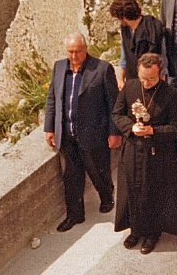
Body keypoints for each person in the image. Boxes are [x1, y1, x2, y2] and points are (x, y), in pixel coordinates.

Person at [111, 52, 177, 253]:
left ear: (161, 74)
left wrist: (153, 131)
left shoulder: (170, 94)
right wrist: (131, 127)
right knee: (132, 190)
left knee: (153, 193)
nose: (146, 83)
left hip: (159, 153)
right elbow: (117, 114)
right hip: (133, 150)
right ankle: (135, 231)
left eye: (152, 79)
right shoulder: (130, 87)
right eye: (143, 78)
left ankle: (152, 233)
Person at [43, 33, 121, 231]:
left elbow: (114, 103)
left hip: (94, 132)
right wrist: (49, 128)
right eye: (70, 51)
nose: (74, 56)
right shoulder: (59, 67)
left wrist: (114, 132)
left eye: (78, 51)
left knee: (98, 169)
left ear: (86, 49)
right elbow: (52, 99)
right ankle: (75, 215)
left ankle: (106, 196)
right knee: (71, 176)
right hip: (67, 133)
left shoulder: (102, 69)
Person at [110, 0, 168, 87]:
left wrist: (162, 83)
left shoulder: (152, 28)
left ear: (123, 17)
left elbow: (162, 57)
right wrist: (121, 79)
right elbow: (124, 55)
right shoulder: (125, 29)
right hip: (133, 80)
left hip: (151, 81)